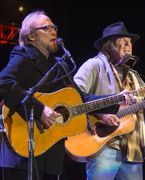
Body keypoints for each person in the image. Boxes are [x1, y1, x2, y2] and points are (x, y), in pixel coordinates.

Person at [0, 11, 119, 180]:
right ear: (32, 36)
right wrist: (40, 109)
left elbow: (81, 98)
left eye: (54, 27)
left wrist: (118, 98)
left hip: (52, 154)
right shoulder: (23, 57)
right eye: (47, 28)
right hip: (24, 148)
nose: (54, 31)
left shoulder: (59, 66)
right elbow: (4, 82)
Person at [73, 22, 145, 180]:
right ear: (108, 46)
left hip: (132, 150)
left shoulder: (134, 77)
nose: (128, 45)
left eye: (129, 42)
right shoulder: (94, 66)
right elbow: (74, 97)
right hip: (103, 146)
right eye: (122, 41)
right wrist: (101, 114)